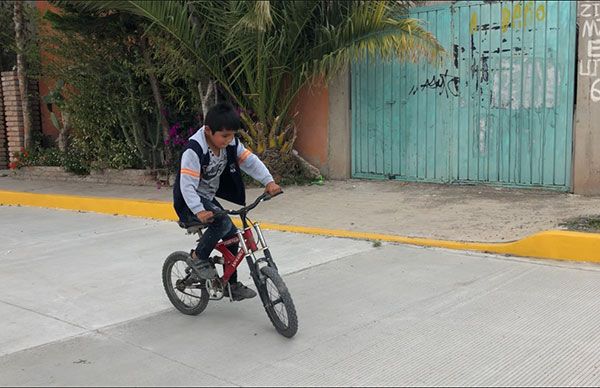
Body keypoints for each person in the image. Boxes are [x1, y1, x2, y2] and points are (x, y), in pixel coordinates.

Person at [173, 102, 282, 301]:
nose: (229, 140)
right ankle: (198, 258)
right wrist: (198, 210)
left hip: (207, 198)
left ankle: (231, 285)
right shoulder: (194, 149)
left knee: (232, 235)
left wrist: (269, 181)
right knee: (222, 223)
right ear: (208, 131)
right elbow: (186, 186)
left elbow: (250, 161)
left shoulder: (230, 144)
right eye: (224, 136)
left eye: (232, 135)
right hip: (189, 202)